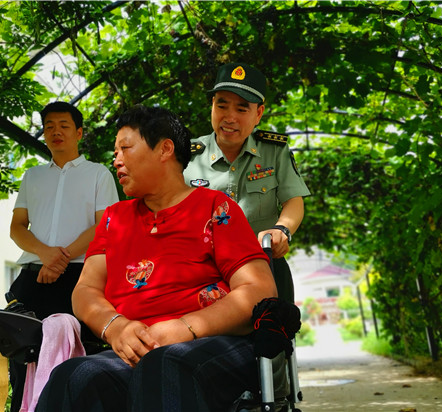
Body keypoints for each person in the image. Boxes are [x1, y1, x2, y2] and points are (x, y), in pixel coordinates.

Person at [35, 105, 278, 412]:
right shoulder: (113, 219)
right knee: (73, 376)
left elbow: (259, 289)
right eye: (115, 152)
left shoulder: (215, 207)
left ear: (165, 149)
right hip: (135, 349)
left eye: (125, 148)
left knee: (163, 366)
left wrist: (185, 327)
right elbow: (85, 291)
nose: (116, 160)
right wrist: (116, 327)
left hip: (211, 343)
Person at [183, 62, 311, 405]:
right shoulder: (185, 156)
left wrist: (282, 230)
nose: (230, 116)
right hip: (202, 273)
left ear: (259, 114)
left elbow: (294, 201)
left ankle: (276, 400)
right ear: (211, 107)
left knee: (273, 344)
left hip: (263, 264)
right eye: (221, 105)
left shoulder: (274, 151)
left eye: (242, 108)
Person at [8, 101, 119, 412]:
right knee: (22, 360)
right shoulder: (32, 176)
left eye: (64, 126)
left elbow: (105, 225)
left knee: (75, 359)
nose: (56, 132)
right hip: (32, 278)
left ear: (79, 132)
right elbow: (17, 228)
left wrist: (60, 259)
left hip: (79, 279)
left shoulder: (99, 174)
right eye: (49, 127)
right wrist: (46, 255)